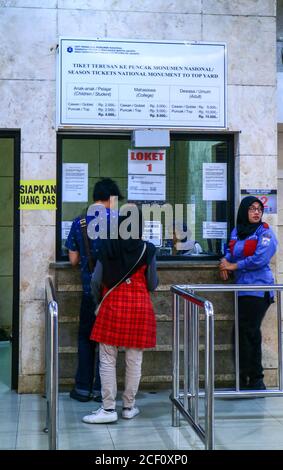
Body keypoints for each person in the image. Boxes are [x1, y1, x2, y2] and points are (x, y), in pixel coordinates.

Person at [82, 213, 158, 424]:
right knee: (134, 360)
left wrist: (99, 301)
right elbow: (152, 283)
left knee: (107, 359)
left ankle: (108, 409)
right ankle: (128, 407)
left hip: (112, 306)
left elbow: (96, 281)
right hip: (139, 309)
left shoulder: (107, 248)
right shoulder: (148, 249)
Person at [65, 178, 123, 402]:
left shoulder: (80, 221)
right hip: (112, 292)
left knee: (85, 338)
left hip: (90, 292)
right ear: (111, 198)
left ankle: (82, 388)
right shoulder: (120, 221)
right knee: (107, 341)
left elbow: (72, 259)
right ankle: (102, 390)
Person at [219, 196, 278, 390]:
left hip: (259, 289)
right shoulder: (238, 231)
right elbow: (230, 250)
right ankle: (246, 379)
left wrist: (233, 265)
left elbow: (260, 259)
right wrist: (223, 263)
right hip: (242, 289)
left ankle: (255, 380)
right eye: (252, 209)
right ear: (244, 211)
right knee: (243, 333)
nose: (256, 212)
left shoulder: (265, 232)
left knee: (248, 331)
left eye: (259, 209)